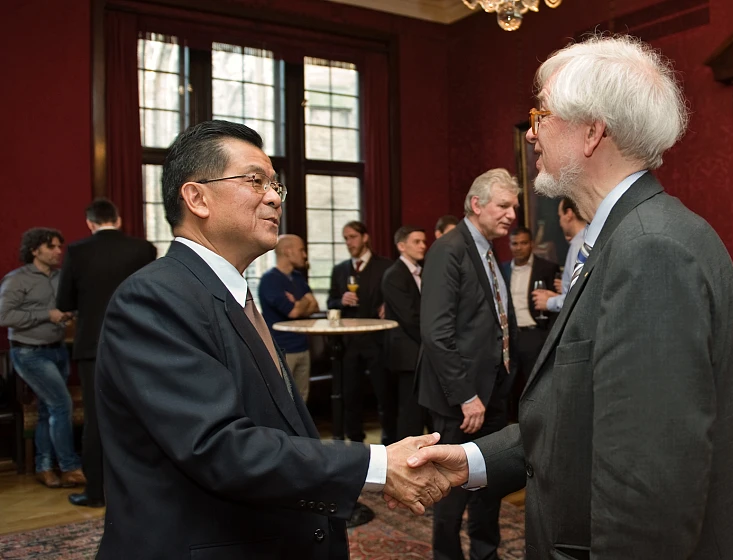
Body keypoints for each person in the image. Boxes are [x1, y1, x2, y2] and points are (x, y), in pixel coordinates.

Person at [405, 36, 733, 559]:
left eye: (540, 113)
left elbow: (646, 490)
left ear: (593, 131)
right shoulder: (632, 235)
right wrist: (470, 460)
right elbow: (574, 415)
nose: (531, 132)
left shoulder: (650, 250)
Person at [94, 120, 451, 559]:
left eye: (275, 184)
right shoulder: (155, 297)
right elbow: (218, 448)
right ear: (197, 197)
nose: (274, 196)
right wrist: (376, 465)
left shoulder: (225, 291)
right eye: (255, 180)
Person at [417, 168, 519, 560]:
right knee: (448, 489)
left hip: (490, 392)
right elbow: (436, 333)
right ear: (477, 205)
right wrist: (465, 397)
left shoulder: (487, 249)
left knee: (487, 482)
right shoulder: (449, 248)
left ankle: (485, 552)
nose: (512, 215)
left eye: (515, 207)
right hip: (458, 399)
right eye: (504, 205)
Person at [56, 198, 156, 507]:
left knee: (97, 420)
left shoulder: (77, 251)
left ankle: (96, 492)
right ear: (119, 219)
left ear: (90, 223)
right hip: (138, 342)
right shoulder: (144, 250)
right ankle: (144, 490)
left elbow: (64, 302)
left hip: (92, 346)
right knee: (142, 415)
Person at [0, 228, 83, 489]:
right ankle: (70, 467)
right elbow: (4, 316)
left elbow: (68, 307)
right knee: (61, 404)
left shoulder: (61, 277)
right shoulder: (17, 280)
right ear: (35, 250)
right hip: (29, 352)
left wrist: (68, 314)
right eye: (52, 247)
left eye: (60, 246)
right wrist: (46, 315)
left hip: (57, 349)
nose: (59, 252)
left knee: (48, 410)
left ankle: (44, 467)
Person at [327, 221, 395, 444]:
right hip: (349, 343)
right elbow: (330, 302)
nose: (349, 242)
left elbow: (399, 297)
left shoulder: (386, 267)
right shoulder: (340, 270)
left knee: (385, 395)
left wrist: (389, 305)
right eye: (345, 238)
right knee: (350, 396)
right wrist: (340, 300)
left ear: (365, 238)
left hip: (379, 342)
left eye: (353, 237)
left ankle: (390, 441)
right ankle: (355, 444)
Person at [500, 226, 559, 418]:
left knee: (535, 385)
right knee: (508, 386)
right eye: (514, 243)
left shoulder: (547, 268)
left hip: (534, 333)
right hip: (509, 336)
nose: (518, 247)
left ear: (531, 244)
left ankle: (536, 423)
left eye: (523, 243)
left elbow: (555, 305)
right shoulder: (503, 269)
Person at [259, 234, 319, 402]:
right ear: (287, 251)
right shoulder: (270, 280)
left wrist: (298, 303)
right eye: (301, 250)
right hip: (282, 350)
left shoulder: (298, 278)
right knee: (284, 401)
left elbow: (315, 305)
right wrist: (303, 302)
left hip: (303, 347)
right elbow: (293, 312)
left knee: (302, 400)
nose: (305, 255)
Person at [381, 225, 427, 440]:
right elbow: (410, 318)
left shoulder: (423, 269)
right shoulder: (394, 275)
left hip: (419, 349)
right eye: (417, 241)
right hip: (407, 352)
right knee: (410, 412)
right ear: (401, 246)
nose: (423, 246)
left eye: (424, 241)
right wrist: (434, 340)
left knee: (421, 410)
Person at [531, 196, 586, 312]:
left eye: (560, 216)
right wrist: (557, 297)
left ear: (569, 214)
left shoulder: (578, 245)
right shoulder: (586, 239)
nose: (560, 222)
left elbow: (578, 297)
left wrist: (549, 302)